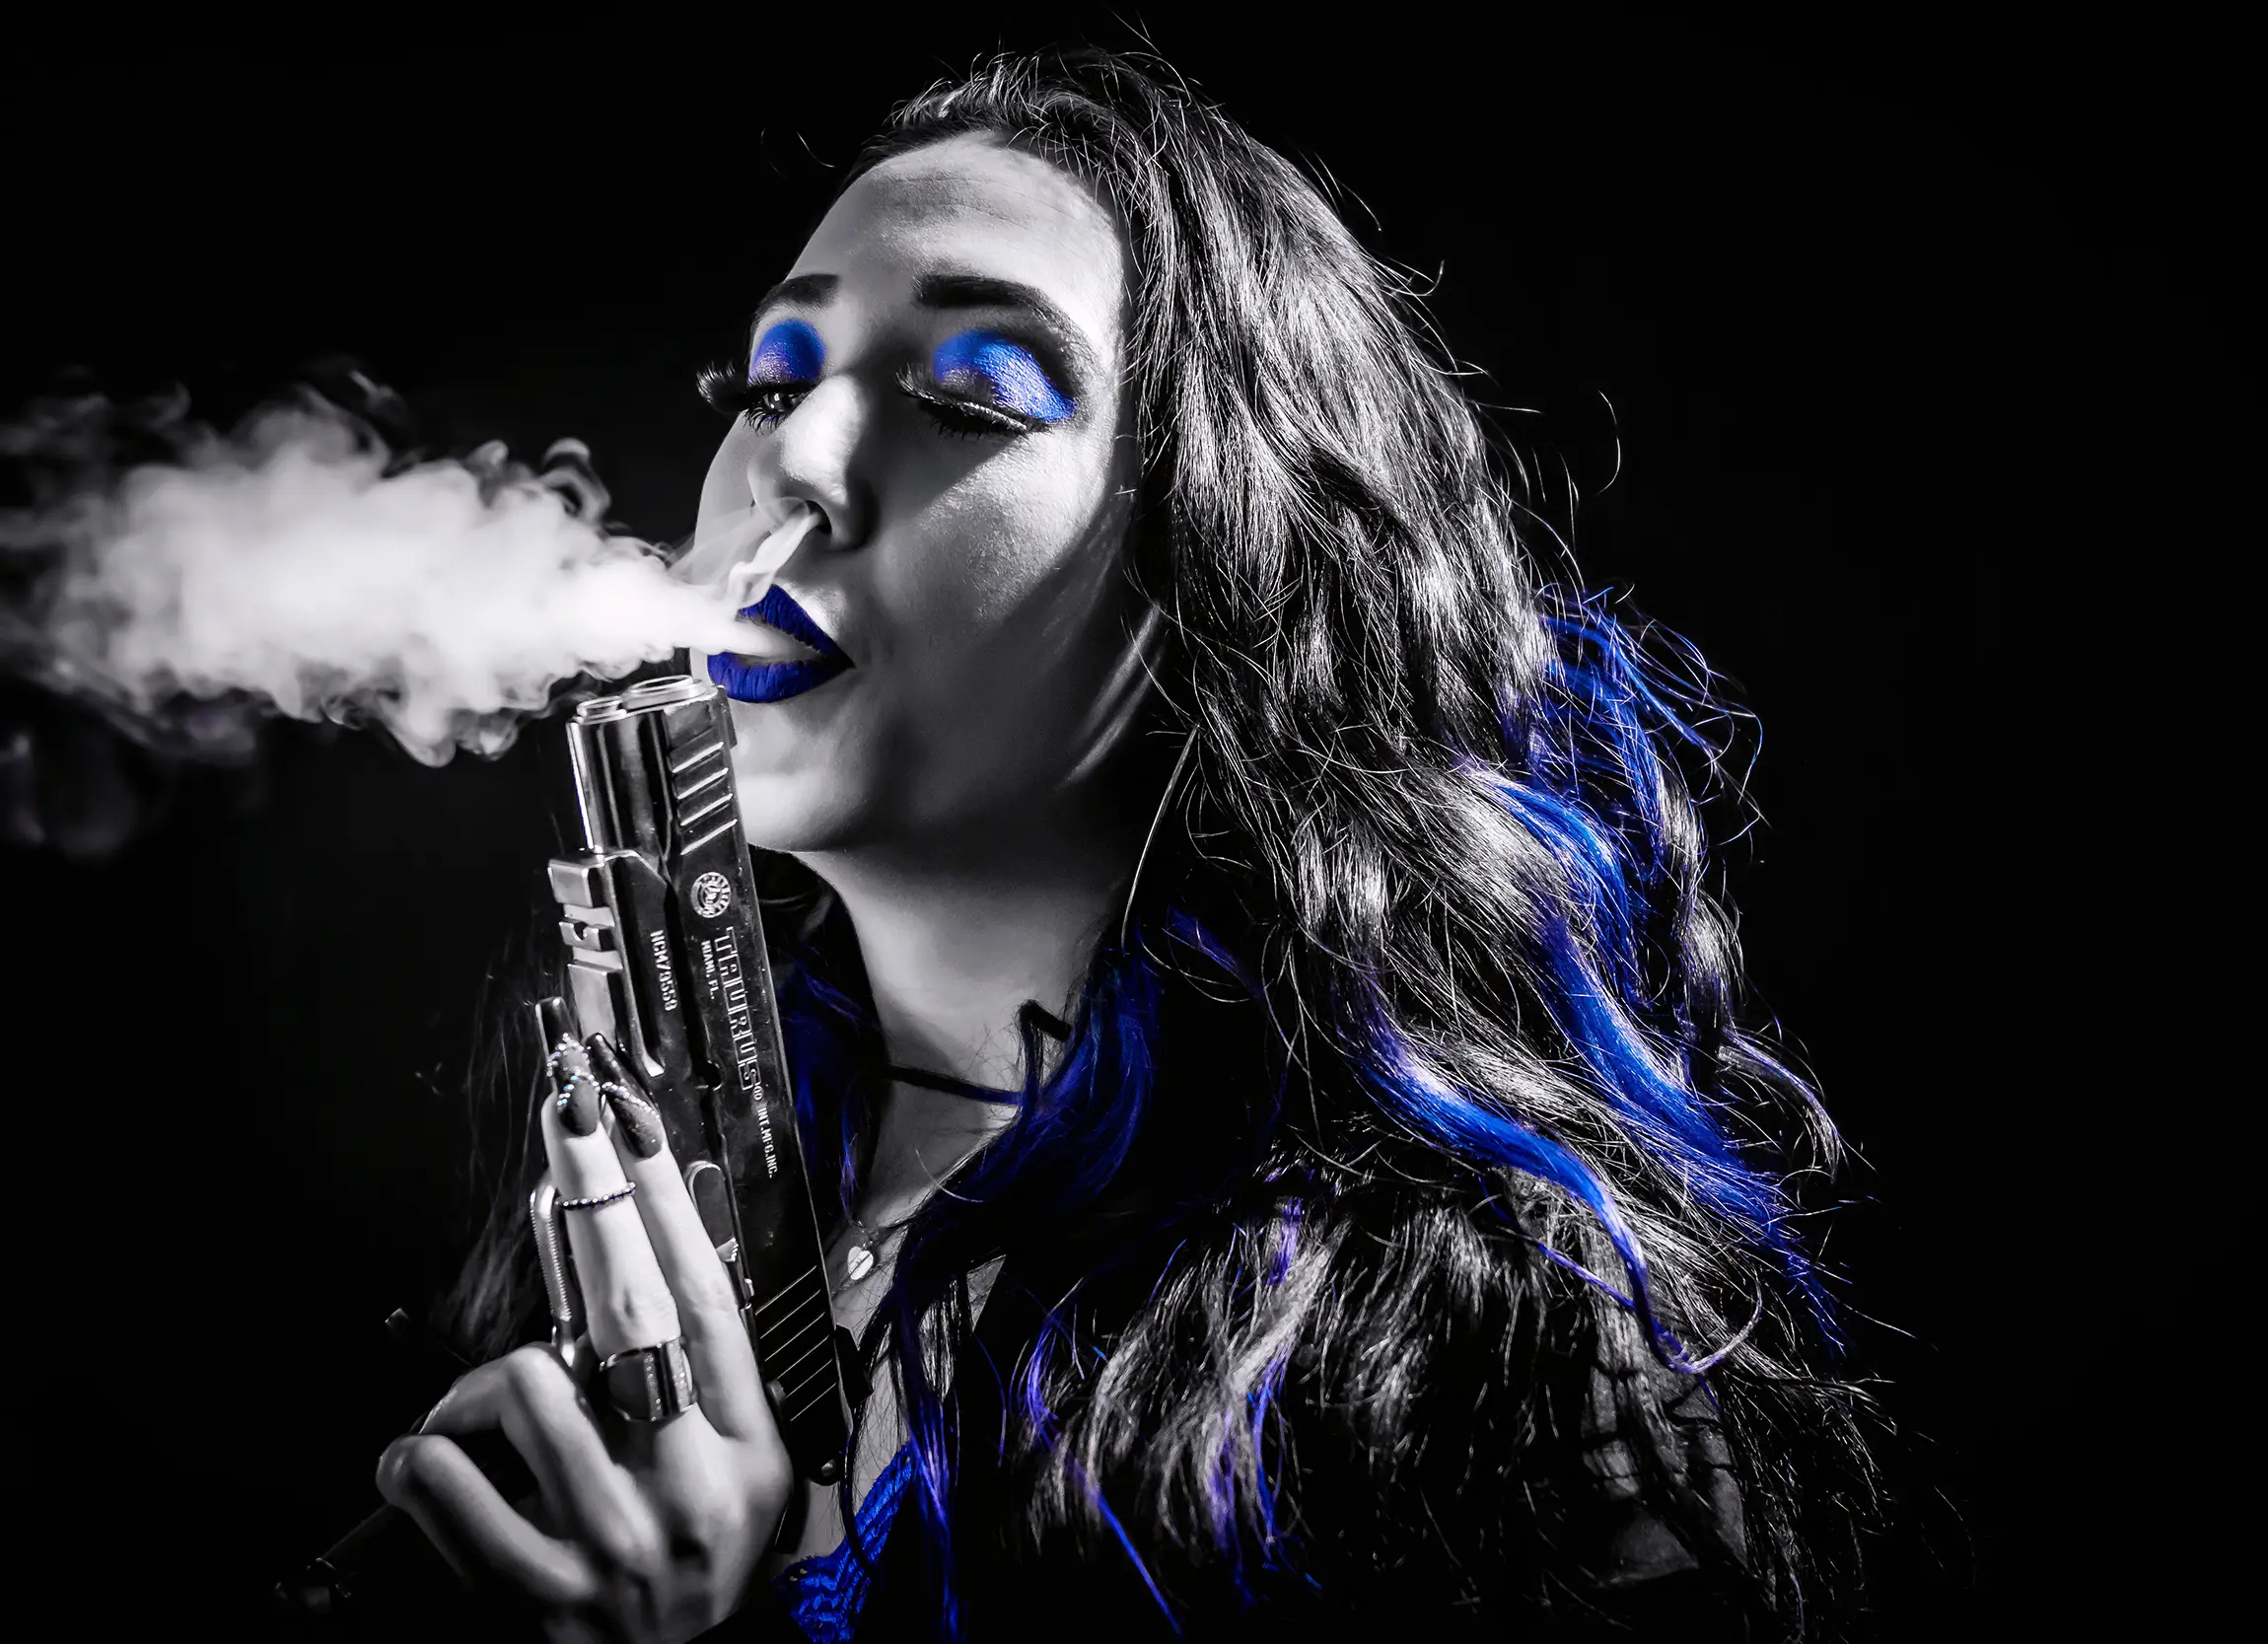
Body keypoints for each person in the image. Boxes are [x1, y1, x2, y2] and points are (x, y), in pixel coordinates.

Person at [378, 48, 1876, 1642]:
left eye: (970, 397)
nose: (791, 463)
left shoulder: (1498, 1355)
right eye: (770, 381)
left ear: (1221, 561)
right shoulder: (640, 1154)